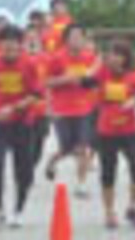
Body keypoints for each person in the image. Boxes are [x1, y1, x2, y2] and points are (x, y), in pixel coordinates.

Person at [0, 25, 40, 229]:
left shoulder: (29, 65)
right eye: (5, 47)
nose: (9, 51)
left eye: (13, 47)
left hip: (23, 122)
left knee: (23, 169)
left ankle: (18, 210)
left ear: (20, 46)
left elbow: (36, 95)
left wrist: (13, 108)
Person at [85, 40, 135, 230]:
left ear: (125, 58)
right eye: (110, 54)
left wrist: (134, 101)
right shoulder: (102, 73)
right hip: (107, 131)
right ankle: (109, 212)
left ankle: (133, 207)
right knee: (108, 173)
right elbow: (85, 82)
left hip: (129, 130)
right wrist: (96, 64)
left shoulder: (133, 76)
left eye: (117, 54)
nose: (113, 58)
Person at [44, 24, 99, 198]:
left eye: (79, 37)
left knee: (83, 147)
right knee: (66, 149)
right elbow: (45, 82)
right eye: (73, 37)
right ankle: (52, 162)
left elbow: (96, 79)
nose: (76, 40)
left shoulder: (90, 58)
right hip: (62, 110)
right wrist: (65, 79)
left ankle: (81, 185)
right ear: (66, 39)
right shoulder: (57, 58)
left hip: (84, 109)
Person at [24, 24, 51, 169]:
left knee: (40, 140)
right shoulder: (19, 57)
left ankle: (31, 166)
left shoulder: (46, 58)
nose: (32, 40)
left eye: (35, 37)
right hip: (24, 107)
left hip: (41, 106)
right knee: (26, 139)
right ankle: (25, 167)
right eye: (29, 37)